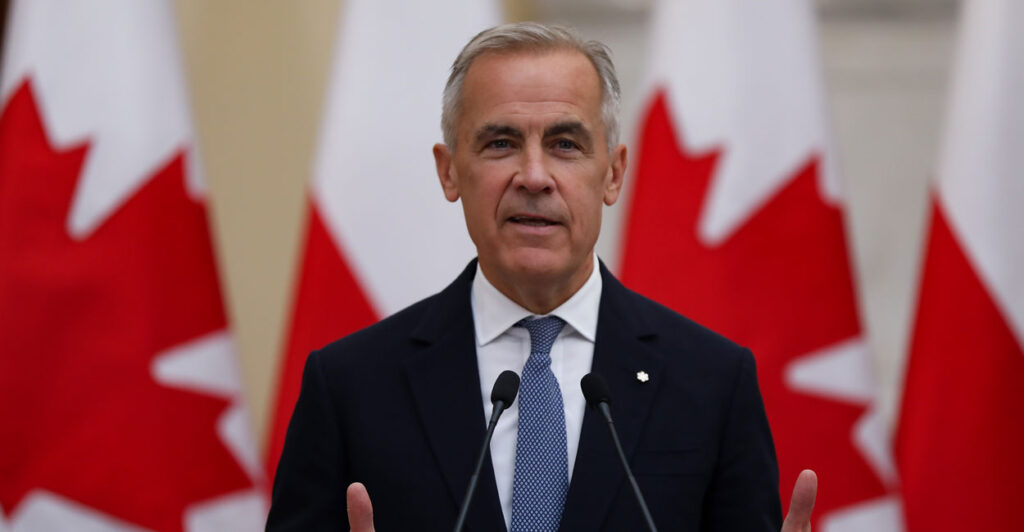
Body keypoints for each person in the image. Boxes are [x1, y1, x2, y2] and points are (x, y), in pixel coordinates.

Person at [267, 22, 817, 531]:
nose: (534, 176)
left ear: (614, 173)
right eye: (501, 143)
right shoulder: (351, 386)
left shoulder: (712, 381)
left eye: (565, 145)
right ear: (450, 170)